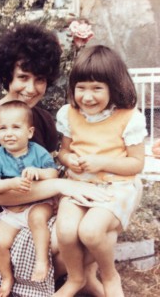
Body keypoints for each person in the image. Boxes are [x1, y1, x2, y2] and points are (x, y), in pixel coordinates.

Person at [0, 23, 107, 297]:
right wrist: (61, 187)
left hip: (41, 214)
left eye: (39, 79)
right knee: (70, 237)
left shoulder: (41, 120)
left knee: (94, 223)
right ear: (7, 75)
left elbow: (51, 171)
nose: (31, 88)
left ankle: (79, 279)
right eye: (23, 77)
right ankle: (56, 280)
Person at [54, 45, 147, 297]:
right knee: (65, 231)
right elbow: (63, 152)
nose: (87, 96)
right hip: (79, 186)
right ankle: (76, 279)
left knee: (91, 231)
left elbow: (136, 164)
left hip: (115, 187)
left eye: (97, 88)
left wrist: (101, 162)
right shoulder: (69, 113)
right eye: (81, 87)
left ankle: (109, 275)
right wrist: (69, 159)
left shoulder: (129, 117)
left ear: (114, 87)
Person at [0, 100, 58, 297]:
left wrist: (38, 172)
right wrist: (9, 184)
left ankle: (42, 260)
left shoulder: (38, 152)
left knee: (36, 219)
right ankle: (7, 278)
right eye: (3, 128)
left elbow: (53, 174)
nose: (8, 133)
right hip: (12, 211)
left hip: (39, 204)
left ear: (29, 132)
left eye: (16, 127)